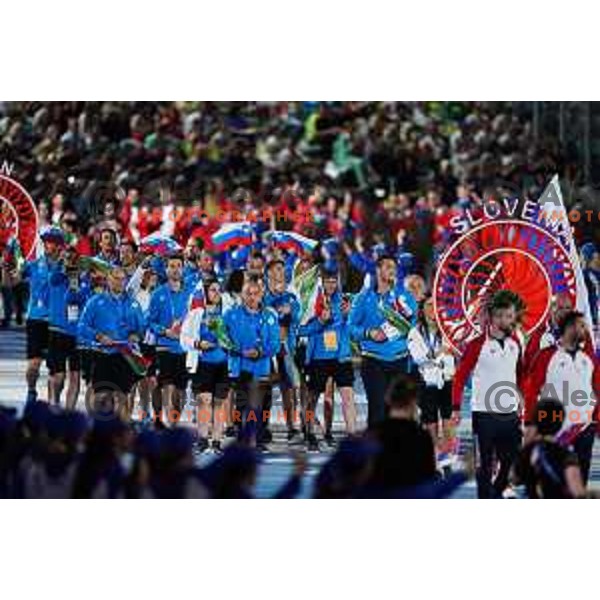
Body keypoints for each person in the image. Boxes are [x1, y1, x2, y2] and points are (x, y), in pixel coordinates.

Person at [452, 290, 524, 499]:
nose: (505, 320)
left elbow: (518, 374)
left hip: (509, 413)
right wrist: (456, 407)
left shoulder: (515, 344)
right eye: (500, 316)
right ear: (491, 317)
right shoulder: (477, 345)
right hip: (483, 413)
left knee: (510, 459)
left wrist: (521, 398)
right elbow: (460, 376)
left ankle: (497, 489)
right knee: (484, 464)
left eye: (509, 316)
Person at [523, 310, 599, 485]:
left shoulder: (589, 358)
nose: (586, 330)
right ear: (569, 328)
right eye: (581, 326)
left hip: (583, 428)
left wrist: (596, 420)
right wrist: (529, 423)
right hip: (555, 429)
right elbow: (532, 391)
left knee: (579, 481)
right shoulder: (546, 356)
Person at [349, 254, 415, 427]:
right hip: (373, 361)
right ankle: (374, 450)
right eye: (387, 266)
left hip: (400, 360)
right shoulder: (363, 298)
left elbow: (414, 325)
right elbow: (350, 328)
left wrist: (403, 327)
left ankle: (395, 451)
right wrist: (369, 333)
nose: (391, 270)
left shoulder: (404, 297)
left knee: (397, 411)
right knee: (377, 410)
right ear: (377, 270)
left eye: (393, 267)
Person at [300, 268, 356, 450]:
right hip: (319, 358)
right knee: (312, 399)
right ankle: (309, 433)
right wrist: (320, 322)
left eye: (334, 281)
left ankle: (352, 437)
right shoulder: (311, 302)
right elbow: (301, 330)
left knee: (348, 397)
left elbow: (352, 329)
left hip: (341, 357)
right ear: (320, 282)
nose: (331, 285)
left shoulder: (345, 302)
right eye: (327, 281)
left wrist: (349, 316)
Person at [78, 265, 145, 417]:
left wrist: (136, 335)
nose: (120, 282)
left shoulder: (133, 304)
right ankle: (97, 430)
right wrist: (99, 336)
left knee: (123, 397)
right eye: (116, 278)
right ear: (108, 279)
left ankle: (123, 434)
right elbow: (82, 326)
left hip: (125, 355)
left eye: (123, 279)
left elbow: (142, 328)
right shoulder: (95, 301)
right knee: (100, 397)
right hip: (102, 354)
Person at [223, 278, 279, 448]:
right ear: (242, 295)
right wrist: (238, 351)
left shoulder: (270, 316)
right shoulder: (231, 315)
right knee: (242, 404)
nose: (252, 297)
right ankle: (243, 437)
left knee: (262, 405)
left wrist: (261, 352)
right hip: (240, 368)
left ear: (261, 295)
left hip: (262, 368)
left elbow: (275, 343)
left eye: (255, 294)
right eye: (248, 293)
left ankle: (259, 438)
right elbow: (222, 339)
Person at [407, 295, 455, 462]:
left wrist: (451, 351)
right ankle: (433, 455)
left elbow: (458, 348)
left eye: (435, 305)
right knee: (431, 421)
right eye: (428, 305)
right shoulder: (416, 331)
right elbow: (418, 357)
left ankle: (448, 455)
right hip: (428, 381)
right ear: (421, 309)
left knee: (448, 419)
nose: (432, 308)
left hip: (448, 378)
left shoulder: (449, 329)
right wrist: (439, 351)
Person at [185, 278, 230, 453]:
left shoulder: (228, 313)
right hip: (202, 364)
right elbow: (184, 338)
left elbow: (235, 339)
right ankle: (203, 439)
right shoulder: (196, 314)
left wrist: (225, 340)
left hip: (223, 364)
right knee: (204, 401)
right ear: (205, 293)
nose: (216, 293)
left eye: (219, 290)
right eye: (212, 290)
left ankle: (217, 442)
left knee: (219, 404)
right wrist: (198, 344)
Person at [148, 254, 193, 427]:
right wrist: (165, 331)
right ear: (166, 270)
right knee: (168, 386)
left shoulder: (190, 293)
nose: (175, 269)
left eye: (178, 266)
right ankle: (171, 426)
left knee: (181, 390)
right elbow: (150, 322)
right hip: (164, 347)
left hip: (184, 347)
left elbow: (197, 318)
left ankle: (174, 421)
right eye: (171, 266)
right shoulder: (158, 294)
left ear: (183, 269)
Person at [513, 398, 587, 499]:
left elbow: (515, 479)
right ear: (560, 422)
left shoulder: (525, 452)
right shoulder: (565, 454)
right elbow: (577, 491)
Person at [264, 259, 302, 442]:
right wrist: (274, 307)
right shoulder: (262, 296)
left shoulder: (290, 296)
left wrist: (291, 310)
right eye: (278, 269)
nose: (282, 272)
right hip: (267, 349)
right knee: (264, 390)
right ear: (269, 273)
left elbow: (298, 317)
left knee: (288, 389)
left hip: (286, 348)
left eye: (283, 269)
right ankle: (262, 426)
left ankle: (292, 427)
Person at [20, 227, 60, 403]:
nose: (47, 244)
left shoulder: (67, 267)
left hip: (59, 322)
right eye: (45, 241)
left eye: (51, 241)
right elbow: (10, 280)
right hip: (36, 319)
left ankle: (54, 402)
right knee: (33, 364)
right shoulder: (33, 265)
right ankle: (31, 391)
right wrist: (7, 267)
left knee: (57, 370)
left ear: (60, 245)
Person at [46, 245, 86, 408]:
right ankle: (53, 404)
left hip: (77, 334)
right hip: (58, 330)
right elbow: (52, 279)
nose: (71, 260)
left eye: (73, 257)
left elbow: (81, 298)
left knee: (75, 376)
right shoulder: (58, 274)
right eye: (67, 256)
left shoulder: (84, 278)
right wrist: (62, 265)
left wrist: (77, 280)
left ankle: (69, 415)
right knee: (59, 376)